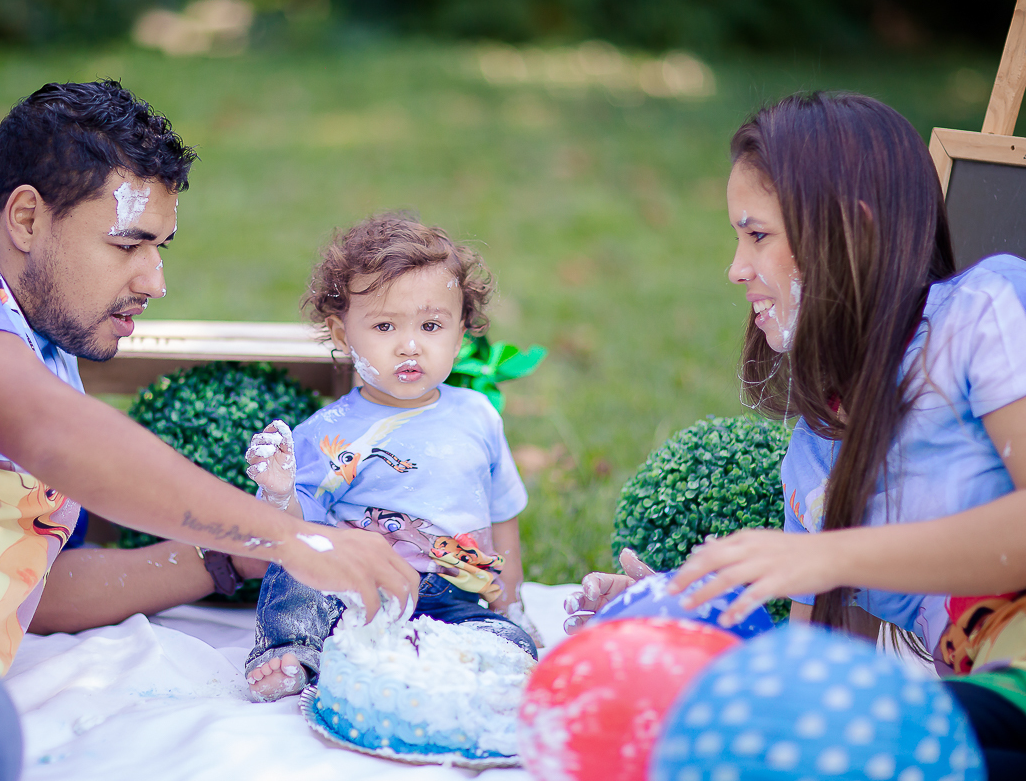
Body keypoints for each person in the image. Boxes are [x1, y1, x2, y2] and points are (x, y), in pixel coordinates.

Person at [0, 80, 417, 780]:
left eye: (161, 246)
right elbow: (49, 431)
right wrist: (288, 535)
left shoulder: (50, 363)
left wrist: (224, 560)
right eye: (129, 243)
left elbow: (37, 591)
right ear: (24, 218)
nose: (155, 279)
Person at [566, 92, 1026, 776]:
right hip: (967, 714)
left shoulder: (980, 314)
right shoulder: (814, 464)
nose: (736, 268)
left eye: (757, 235)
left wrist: (831, 557)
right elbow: (817, 690)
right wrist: (680, 621)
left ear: (853, 232)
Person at [241, 214, 539, 702]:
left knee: (512, 643)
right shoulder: (324, 433)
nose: (410, 345)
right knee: (292, 571)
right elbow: (298, 529)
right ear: (343, 335)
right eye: (384, 325)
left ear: (461, 332)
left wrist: (510, 605)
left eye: (431, 325)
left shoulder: (478, 415)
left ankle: (456, 661)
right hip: (355, 593)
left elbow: (503, 514)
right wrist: (278, 493)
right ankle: (293, 652)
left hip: (451, 597)